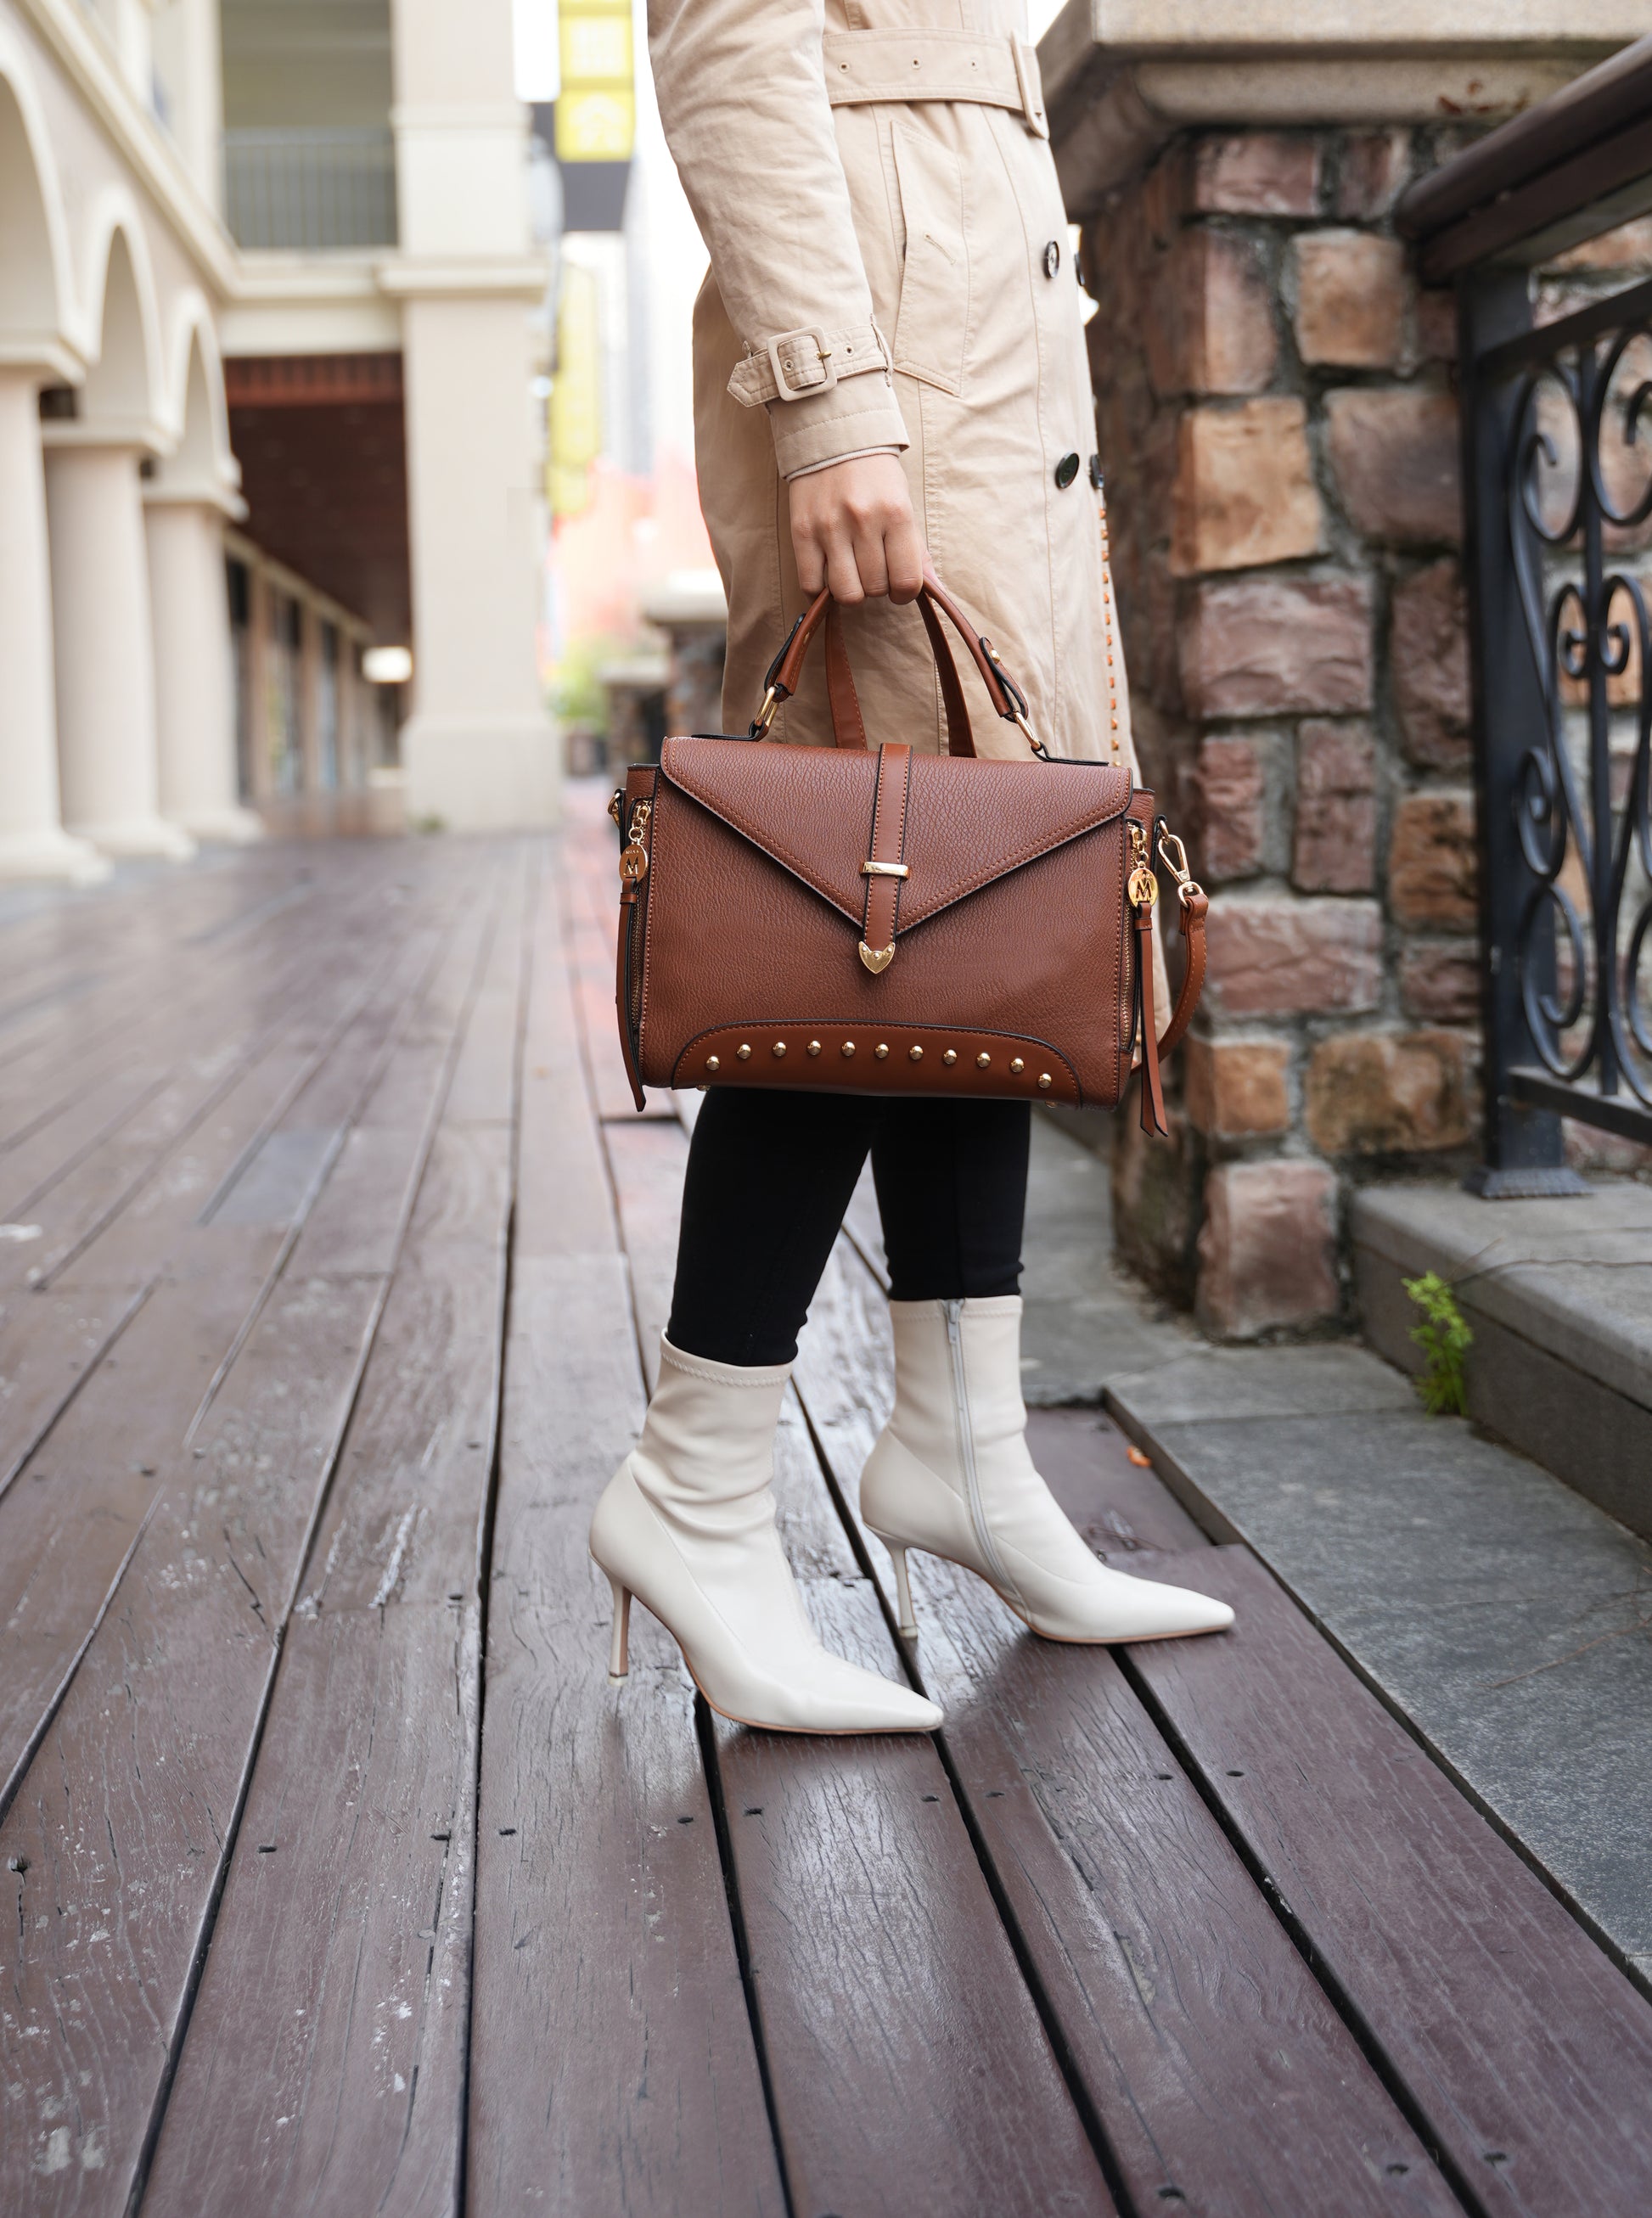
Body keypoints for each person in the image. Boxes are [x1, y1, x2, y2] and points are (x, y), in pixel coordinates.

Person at [588, 0, 1233, 1733]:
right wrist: (831, 397)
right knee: (855, 918)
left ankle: (963, 1442)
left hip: (965, 361)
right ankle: (698, 1486)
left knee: (984, 908)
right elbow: (729, 36)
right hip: (900, 380)